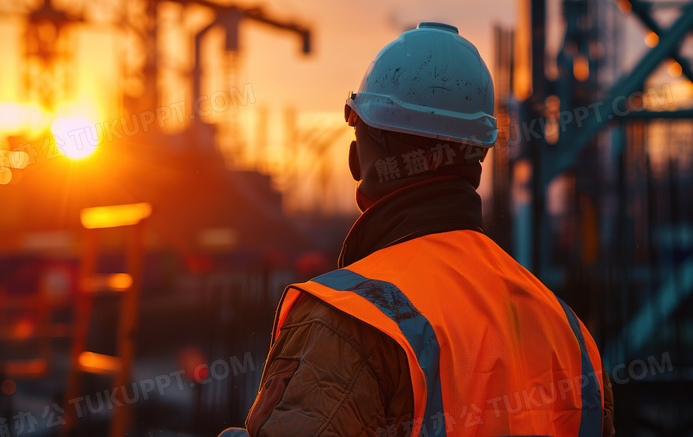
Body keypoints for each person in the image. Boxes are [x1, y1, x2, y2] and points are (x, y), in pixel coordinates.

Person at [233, 22, 615, 437]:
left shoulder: (351, 321)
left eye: (356, 127)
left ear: (364, 153)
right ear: (476, 156)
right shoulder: (568, 332)